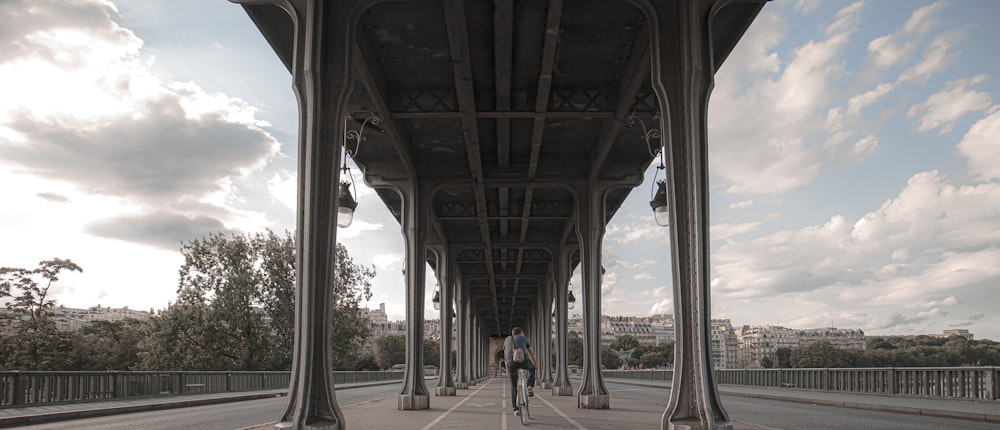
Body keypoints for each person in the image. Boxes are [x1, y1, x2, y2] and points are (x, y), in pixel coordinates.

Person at [504, 326, 537, 416]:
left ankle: (515, 409)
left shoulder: (507, 339)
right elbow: (531, 352)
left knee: (513, 385)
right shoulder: (524, 338)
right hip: (523, 360)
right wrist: (535, 364)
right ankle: (529, 386)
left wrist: (507, 367)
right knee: (532, 368)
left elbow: (505, 355)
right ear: (521, 332)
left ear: (512, 333)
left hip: (511, 362)